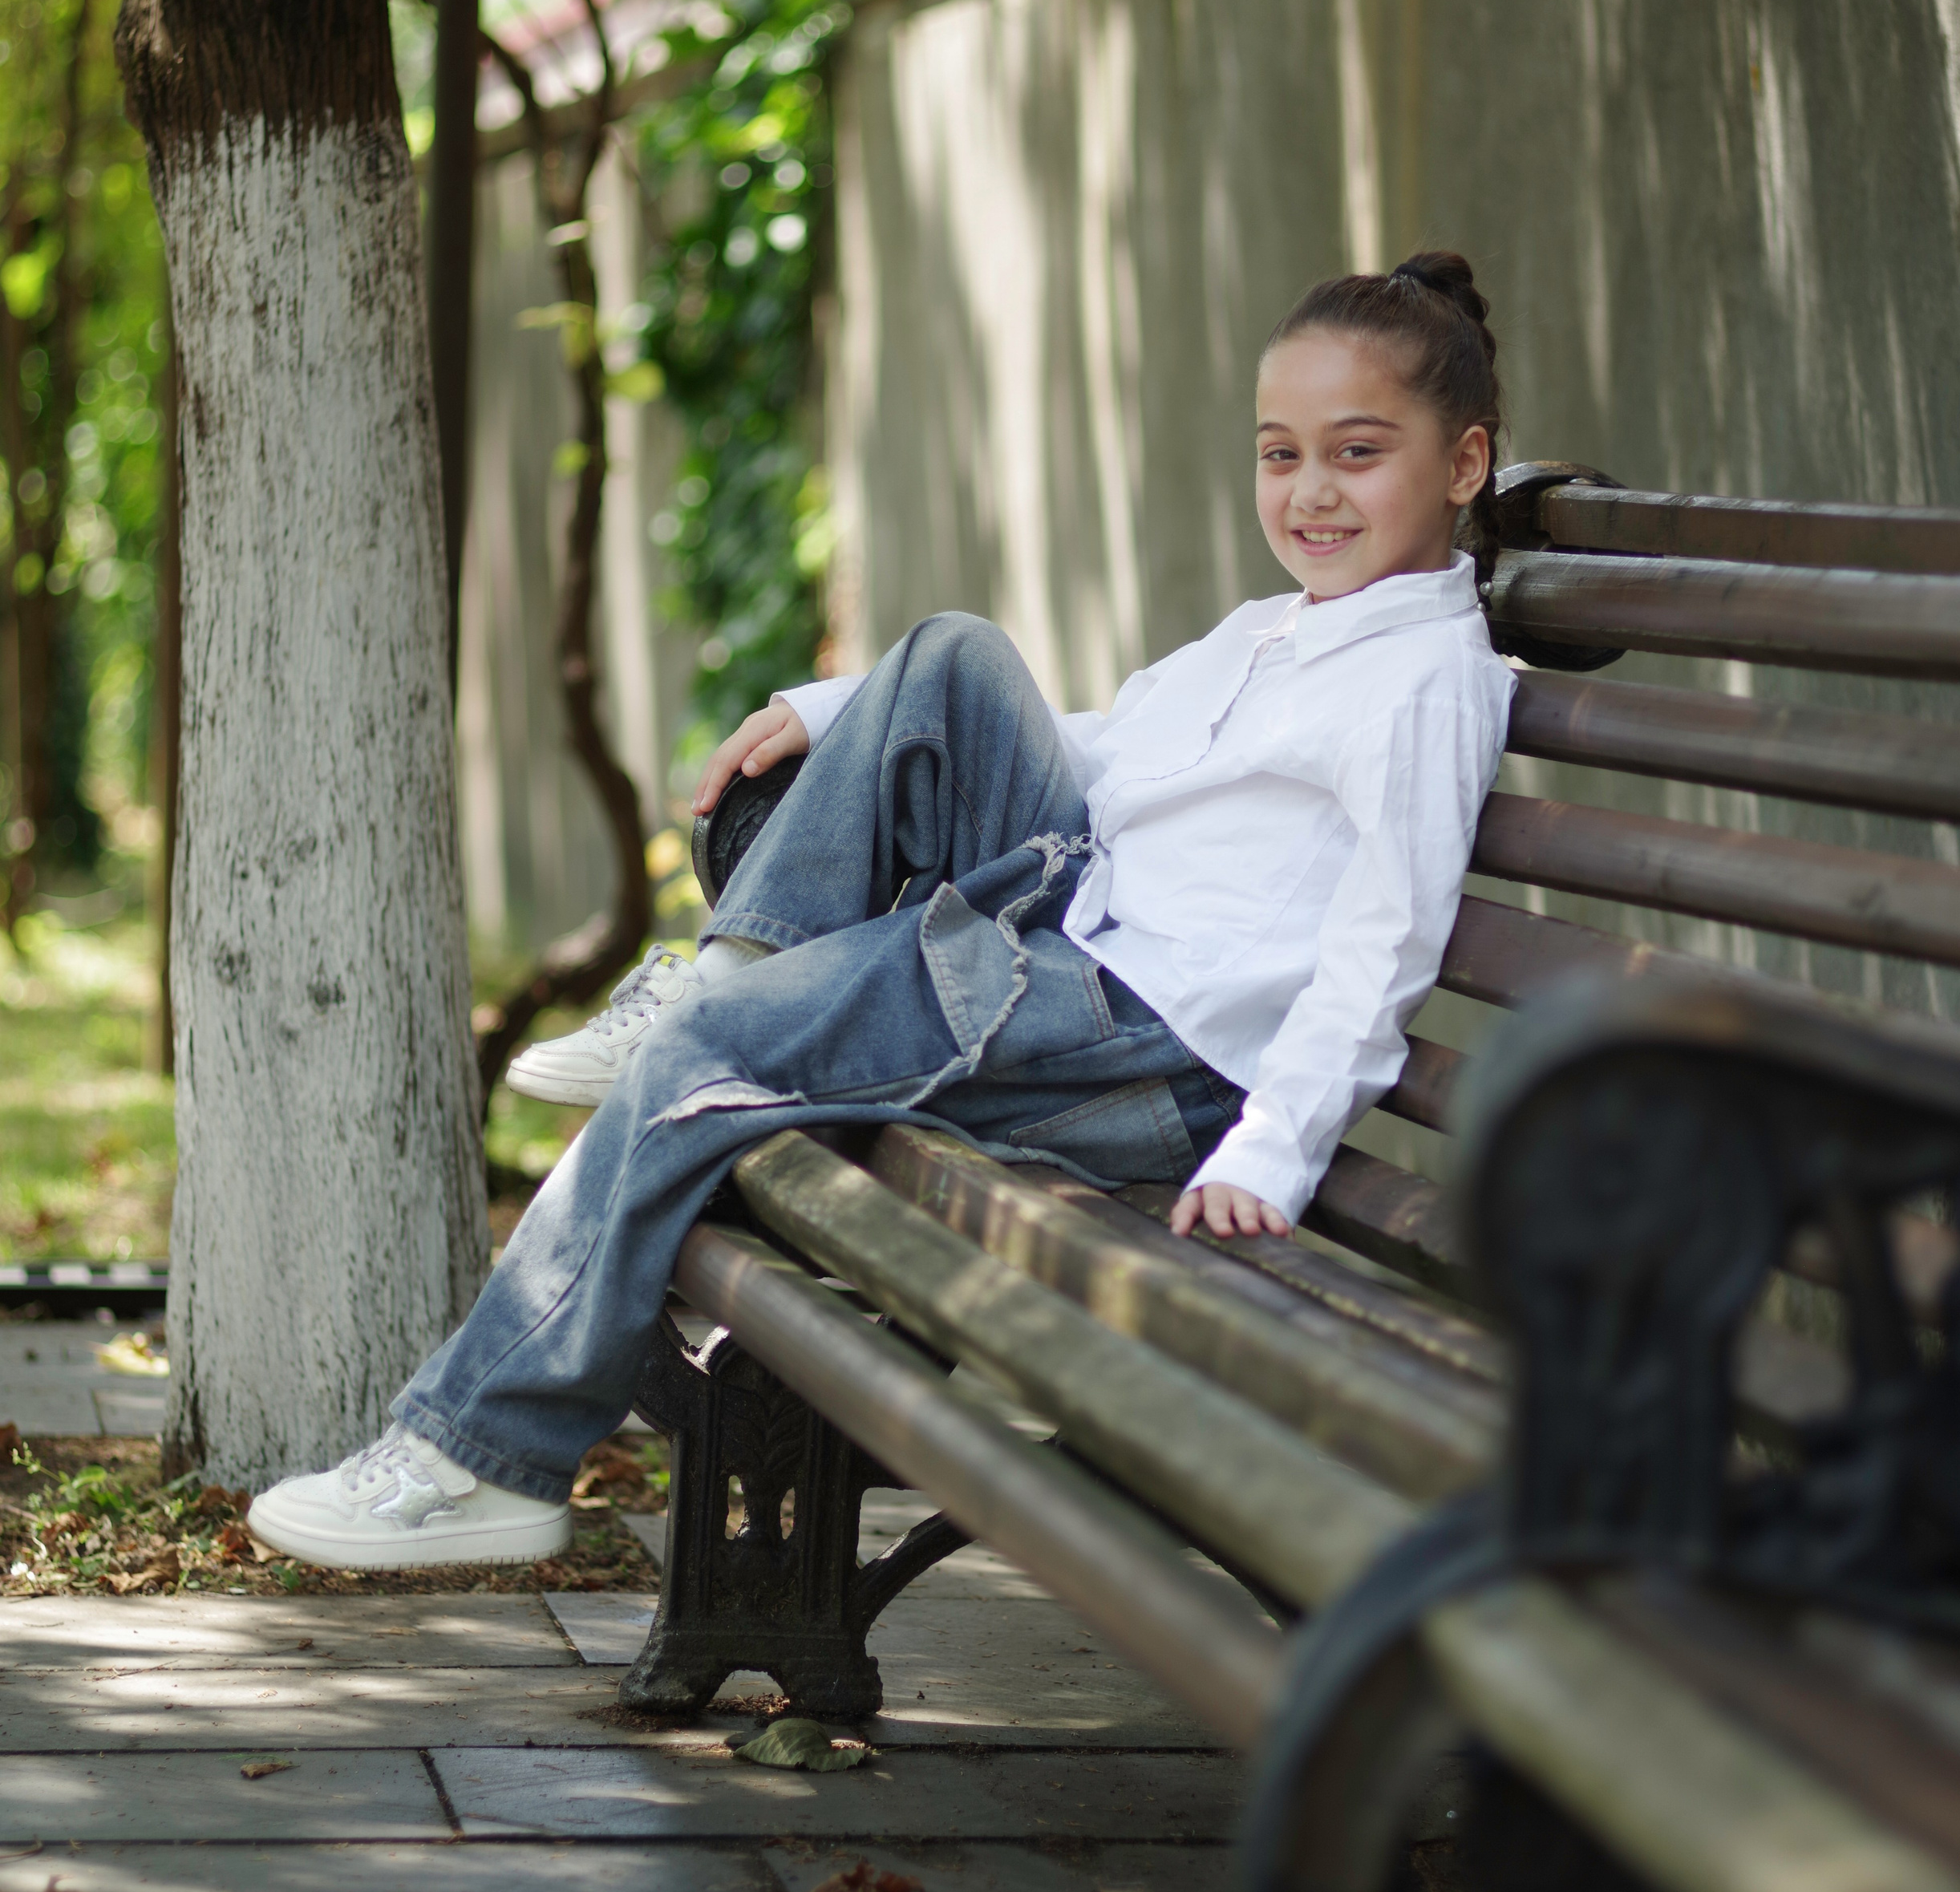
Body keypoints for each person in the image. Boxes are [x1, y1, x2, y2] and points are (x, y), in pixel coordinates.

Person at [246, 253, 1518, 1569]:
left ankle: (483, 1460)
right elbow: (1114, 751)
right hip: (1078, 937)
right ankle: (729, 969)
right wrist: (837, 708)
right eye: (1280, 453)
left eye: (1357, 454)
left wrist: (1271, 1152)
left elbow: (1385, 947)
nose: (1310, 492)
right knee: (954, 655)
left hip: (1147, 1038)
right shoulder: (1279, 628)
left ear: (1464, 463)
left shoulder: (1425, 680)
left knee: (705, 1060)